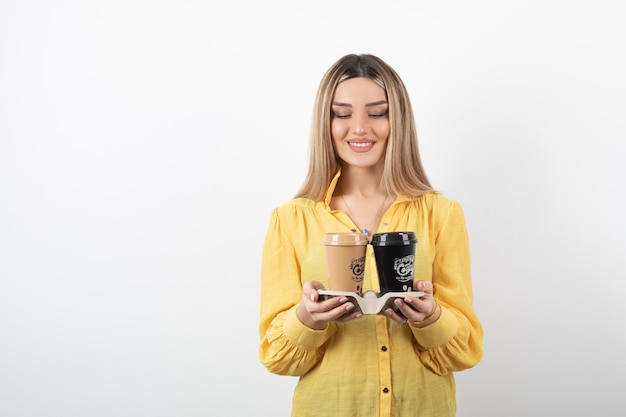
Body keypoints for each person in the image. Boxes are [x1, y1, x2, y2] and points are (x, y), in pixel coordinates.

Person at [258, 53, 483, 417]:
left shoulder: (441, 214)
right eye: (342, 114)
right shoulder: (291, 220)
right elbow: (277, 357)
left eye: (377, 113)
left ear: (398, 121)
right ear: (325, 123)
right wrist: (309, 318)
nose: (359, 128)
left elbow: (465, 350)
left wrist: (430, 317)